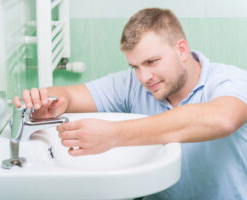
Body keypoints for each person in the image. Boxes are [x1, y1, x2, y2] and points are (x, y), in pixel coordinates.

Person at [13, 8, 247, 200]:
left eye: (152, 62)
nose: (144, 77)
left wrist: (115, 135)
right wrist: (45, 101)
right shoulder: (133, 85)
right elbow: (69, 96)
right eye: (135, 66)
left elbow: (222, 119)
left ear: (182, 50)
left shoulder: (230, 80)